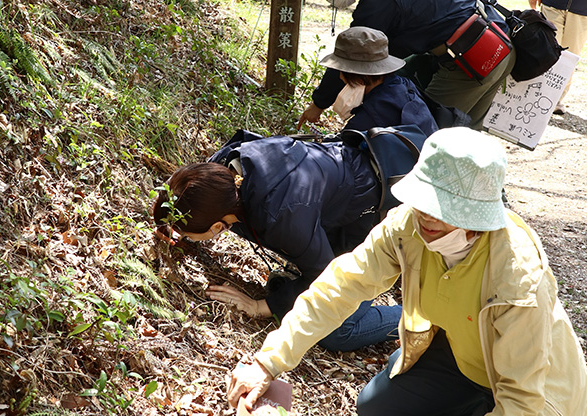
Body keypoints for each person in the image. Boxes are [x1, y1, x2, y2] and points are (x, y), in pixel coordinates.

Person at [227, 127, 587, 416]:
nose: (426, 216)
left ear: (477, 214)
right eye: (423, 201)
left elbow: (523, 399)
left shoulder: (518, 274)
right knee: (376, 408)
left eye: (442, 208)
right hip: (462, 358)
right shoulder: (406, 227)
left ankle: (481, 411)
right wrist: (267, 362)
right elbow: (340, 287)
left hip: (534, 385)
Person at [153, 133, 402, 351]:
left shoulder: (283, 217)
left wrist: (261, 305)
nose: (185, 238)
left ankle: (422, 318)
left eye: (188, 235)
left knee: (335, 331)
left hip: (369, 218)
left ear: (217, 227)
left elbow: (325, 277)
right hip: (335, 193)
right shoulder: (222, 173)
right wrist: (169, 221)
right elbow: (188, 192)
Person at [298, 0, 516, 131]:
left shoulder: (378, 5)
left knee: (427, 133)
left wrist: (318, 104)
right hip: (500, 43)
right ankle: (482, 194)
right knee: (466, 130)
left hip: (472, 59)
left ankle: (420, 205)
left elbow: (355, 56)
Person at [304, 26, 438, 136]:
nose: (340, 77)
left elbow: (341, 153)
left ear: (356, 75)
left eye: (342, 72)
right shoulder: (403, 85)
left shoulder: (368, 120)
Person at [530, 0, 587, 114]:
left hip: (582, 11)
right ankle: (534, 95)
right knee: (547, 50)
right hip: (553, 5)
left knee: (570, 56)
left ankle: (556, 99)